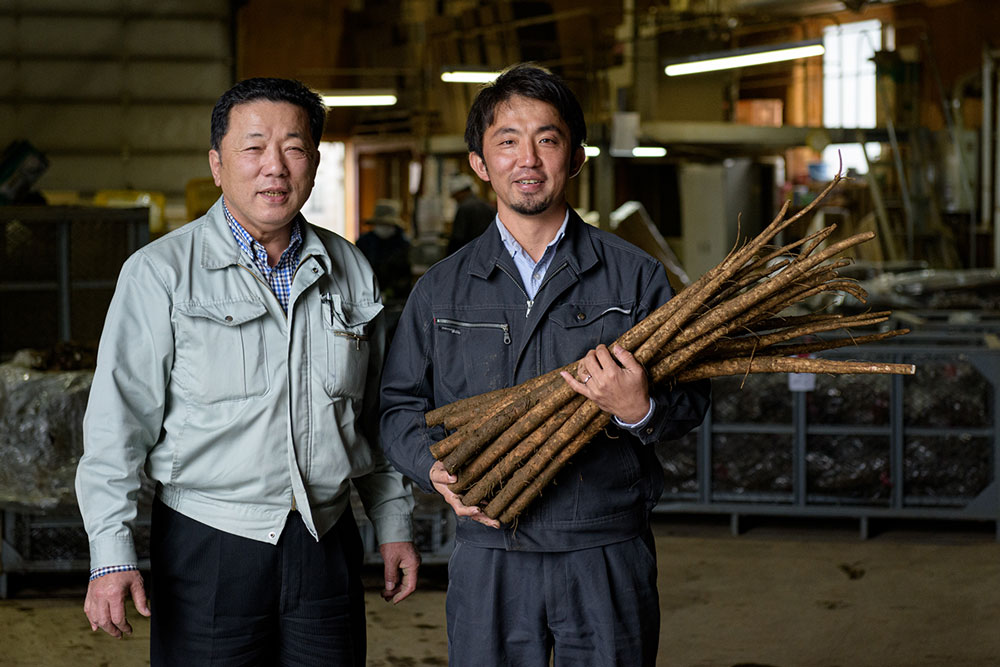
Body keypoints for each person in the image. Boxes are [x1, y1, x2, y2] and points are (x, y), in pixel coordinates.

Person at [75, 77, 420, 666]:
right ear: (217, 164)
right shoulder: (160, 273)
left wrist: (393, 522)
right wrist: (111, 554)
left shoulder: (350, 268)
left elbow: (374, 416)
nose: (275, 169)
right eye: (253, 148)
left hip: (326, 540)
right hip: (209, 544)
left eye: (293, 148)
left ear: (312, 163)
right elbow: (117, 422)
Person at [379, 63, 711, 666]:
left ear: (576, 158)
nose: (526, 159)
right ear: (481, 163)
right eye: (507, 140)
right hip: (489, 548)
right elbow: (399, 405)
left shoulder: (633, 276)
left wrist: (640, 410)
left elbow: (692, 399)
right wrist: (433, 468)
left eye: (547, 139)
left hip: (603, 544)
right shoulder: (442, 289)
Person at [355, 198, 413, 305]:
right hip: (366, 297)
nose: (384, 228)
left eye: (387, 224)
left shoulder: (403, 244)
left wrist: (390, 292)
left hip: (398, 299)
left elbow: (405, 275)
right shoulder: (364, 242)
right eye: (381, 224)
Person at [445, 172, 496, 255]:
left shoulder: (465, 208)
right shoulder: (486, 205)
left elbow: (458, 238)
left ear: (462, 192)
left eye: (455, 195)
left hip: (469, 255)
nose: (455, 199)